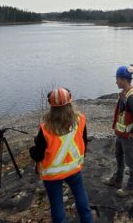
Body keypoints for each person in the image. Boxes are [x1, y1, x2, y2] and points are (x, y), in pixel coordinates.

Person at [29, 87, 93, 223]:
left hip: (52, 175)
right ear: (70, 101)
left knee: (56, 203)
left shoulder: (45, 128)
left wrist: (32, 150)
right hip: (74, 168)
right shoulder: (80, 120)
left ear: (51, 106)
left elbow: (37, 156)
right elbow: (84, 141)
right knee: (81, 196)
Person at [103, 66, 133, 197]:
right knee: (118, 155)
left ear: (123, 80)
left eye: (117, 79)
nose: (116, 82)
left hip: (128, 136)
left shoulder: (132, 97)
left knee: (131, 161)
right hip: (121, 134)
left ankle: (131, 186)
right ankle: (118, 179)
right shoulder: (124, 94)